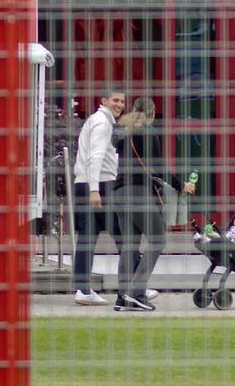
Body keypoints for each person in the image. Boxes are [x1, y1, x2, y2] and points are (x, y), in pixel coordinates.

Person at [112, 97, 195, 311]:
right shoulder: (148, 132)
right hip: (138, 193)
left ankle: (123, 297)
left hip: (119, 192)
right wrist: (181, 185)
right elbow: (158, 167)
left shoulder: (120, 131)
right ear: (153, 113)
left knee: (129, 245)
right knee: (158, 239)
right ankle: (136, 293)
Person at [72, 87, 125, 305]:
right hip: (99, 186)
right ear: (104, 100)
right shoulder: (103, 123)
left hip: (86, 184)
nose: (119, 105)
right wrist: (94, 190)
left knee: (87, 238)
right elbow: (95, 157)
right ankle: (137, 285)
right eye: (115, 100)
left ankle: (83, 290)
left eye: (122, 101)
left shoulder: (97, 120)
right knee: (124, 235)